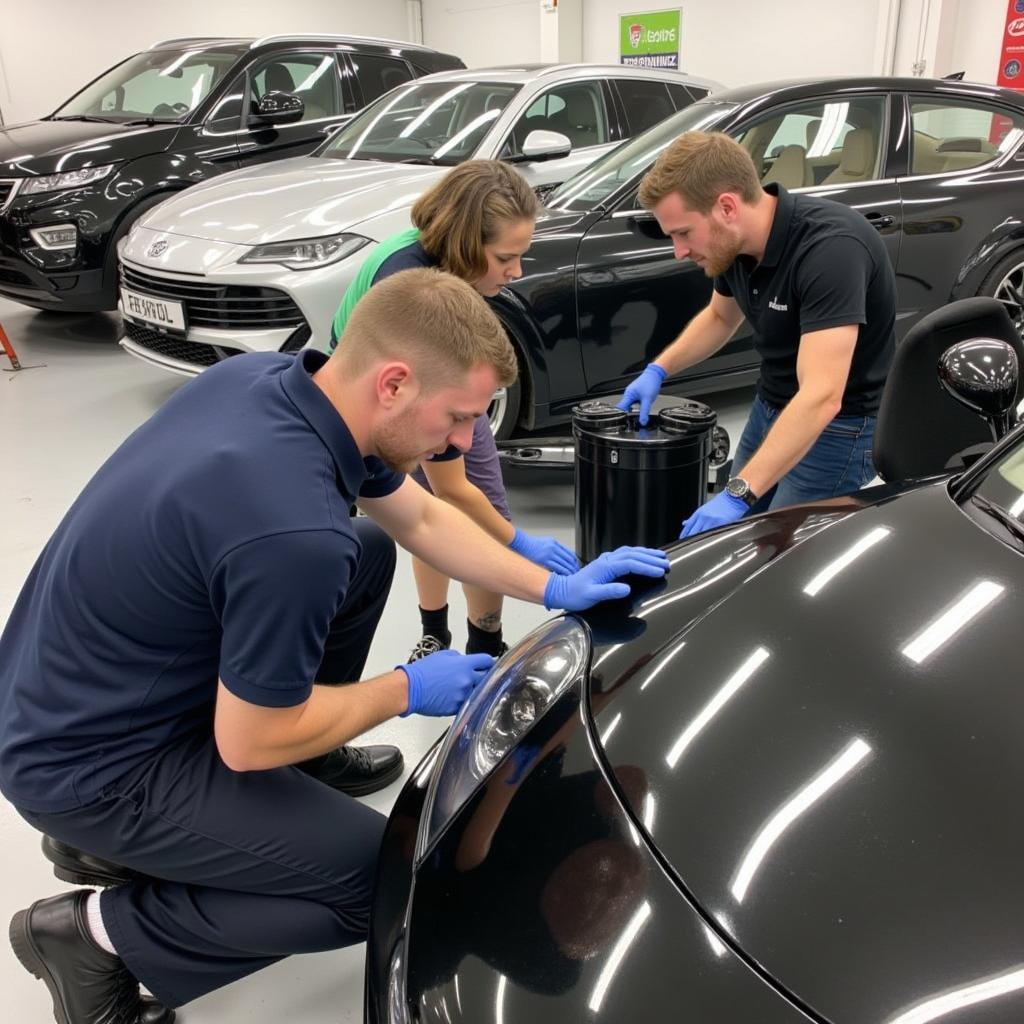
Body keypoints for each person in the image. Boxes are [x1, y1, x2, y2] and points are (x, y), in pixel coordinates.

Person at [1, 266, 670, 1024]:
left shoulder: (266, 381)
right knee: (380, 880)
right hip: (91, 765)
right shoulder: (292, 535)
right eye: (457, 418)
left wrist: (552, 588)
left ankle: (297, 762)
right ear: (392, 383)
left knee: (369, 547)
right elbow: (249, 742)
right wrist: (404, 690)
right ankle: (93, 936)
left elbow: (417, 520)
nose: (461, 441)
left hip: (57, 690)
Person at [329, 159, 578, 663]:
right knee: (470, 508)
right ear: (467, 243)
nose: (516, 272)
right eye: (507, 256)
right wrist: (520, 544)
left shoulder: (440, 261)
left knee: (434, 507)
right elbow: (450, 492)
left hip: (392, 387)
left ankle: (477, 639)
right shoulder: (411, 285)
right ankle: (452, 637)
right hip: (375, 398)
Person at [618, 131, 895, 537]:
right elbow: (718, 318)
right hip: (771, 405)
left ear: (727, 206)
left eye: (682, 233)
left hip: (838, 428)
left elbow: (821, 396)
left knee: (779, 550)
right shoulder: (735, 246)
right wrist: (658, 370)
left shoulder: (831, 249)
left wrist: (738, 494)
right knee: (740, 535)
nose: (678, 251)